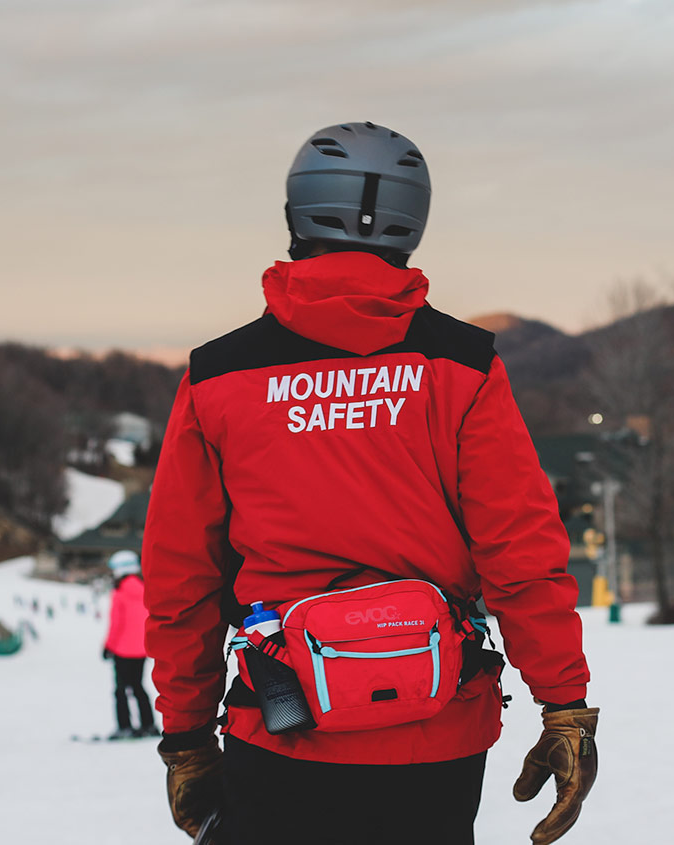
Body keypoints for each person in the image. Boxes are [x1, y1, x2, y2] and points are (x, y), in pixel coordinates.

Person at [143, 122, 598, 845]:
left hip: (283, 724)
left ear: (296, 214)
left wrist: (186, 733)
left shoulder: (219, 376)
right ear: (412, 225)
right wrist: (564, 702)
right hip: (438, 730)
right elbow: (520, 547)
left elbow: (182, 575)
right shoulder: (464, 365)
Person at [102, 549, 158, 739]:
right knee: (138, 687)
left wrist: (108, 646)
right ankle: (148, 724)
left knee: (120, 690)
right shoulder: (145, 589)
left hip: (122, 650)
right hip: (142, 649)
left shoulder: (119, 592)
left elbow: (117, 623)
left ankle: (125, 726)